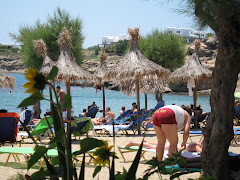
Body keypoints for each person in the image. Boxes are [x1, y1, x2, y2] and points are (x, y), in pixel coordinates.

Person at [125, 140, 202, 153]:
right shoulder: (196, 146)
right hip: (173, 147)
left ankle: (147, 142)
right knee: (151, 147)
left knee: (159, 144)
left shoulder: (196, 144)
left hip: (174, 145)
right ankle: (134, 143)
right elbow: (201, 152)